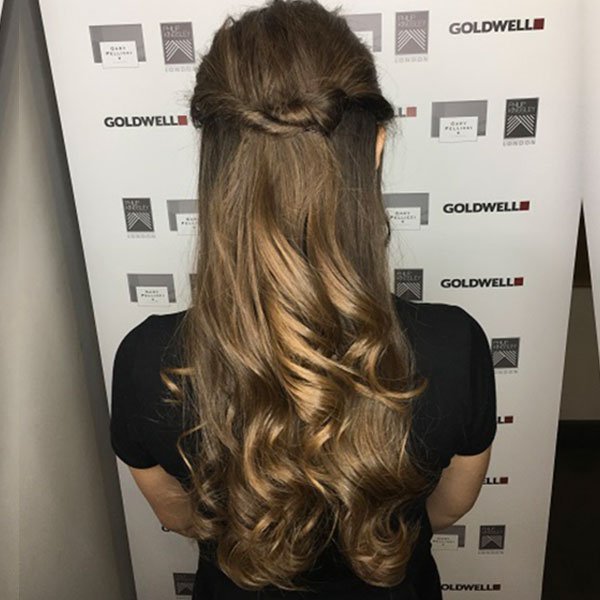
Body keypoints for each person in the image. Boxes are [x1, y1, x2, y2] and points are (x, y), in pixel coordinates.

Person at [109, 1, 497, 598]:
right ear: (375, 147)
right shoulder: (453, 346)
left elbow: (178, 515)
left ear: (215, 158)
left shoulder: (147, 360)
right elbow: (450, 506)